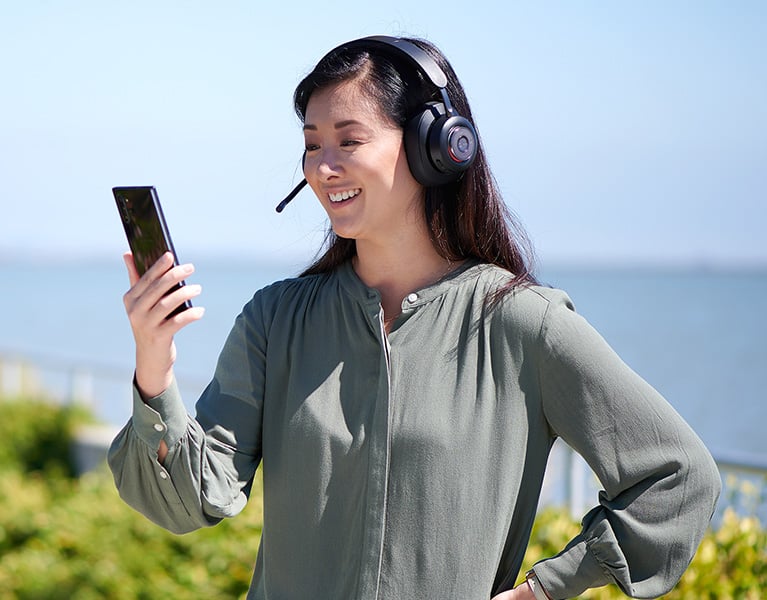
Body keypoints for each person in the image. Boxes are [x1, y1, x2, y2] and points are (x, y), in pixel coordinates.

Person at [108, 36, 721, 599]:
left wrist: (550, 587)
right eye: (311, 143)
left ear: (436, 146)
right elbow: (187, 501)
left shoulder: (522, 325)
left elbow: (677, 476)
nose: (324, 167)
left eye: (349, 140)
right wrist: (154, 369)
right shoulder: (276, 321)